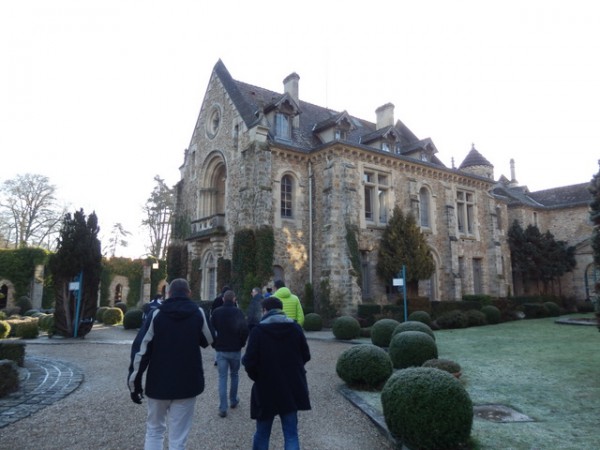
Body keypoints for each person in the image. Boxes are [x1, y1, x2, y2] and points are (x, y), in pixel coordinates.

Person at [128, 278, 213, 450]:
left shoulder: (156, 314)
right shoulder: (198, 313)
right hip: (187, 383)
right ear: (189, 293)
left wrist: (134, 384)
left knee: (154, 430)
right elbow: (209, 339)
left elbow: (140, 351)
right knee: (178, 438)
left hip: (158, 382)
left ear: (168, 293)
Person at [242, 296, 311, 450]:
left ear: (264, 310)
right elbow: (306, 356)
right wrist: (293, 369)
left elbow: (249, 362)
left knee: (262, 433)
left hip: (266, 387)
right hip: (292, 386)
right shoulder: (295, 328)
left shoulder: (258, 331)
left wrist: (257, 377)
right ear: (281, 309)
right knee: (291, 434)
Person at [210, 289, 249, 418]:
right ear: (234, 299)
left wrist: (215, 344)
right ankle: (233, 400)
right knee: (234, 375)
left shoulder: (216, 313)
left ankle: (223, 407)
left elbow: (211, 330)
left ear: (222, 299)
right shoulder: (238, 312)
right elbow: (244, 330)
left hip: (221, 349)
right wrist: (241, 343)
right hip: (235, 349)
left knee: (222, 378)